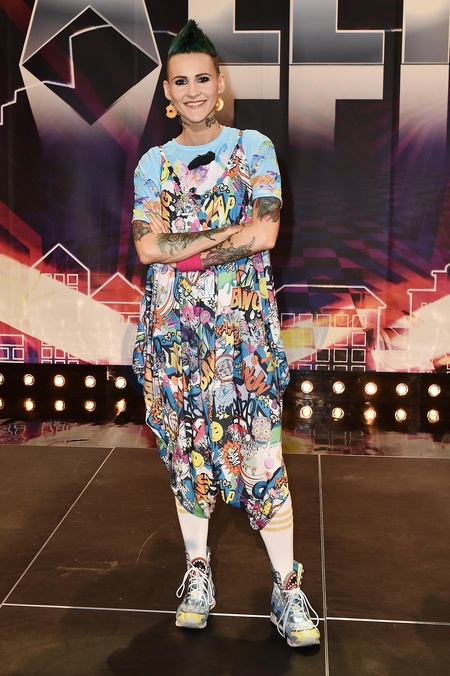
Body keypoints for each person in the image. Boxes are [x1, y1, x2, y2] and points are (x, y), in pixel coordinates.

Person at [132, 20, 320, 648]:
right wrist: (225, 237)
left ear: (220, 85)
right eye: (179, 81)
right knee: (188, 458)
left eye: (202, 79)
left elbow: (264, 233)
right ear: (167, 92)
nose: (192, 91)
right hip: (175, 340)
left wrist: (184, 250)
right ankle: (197, 574)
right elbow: (148, 247)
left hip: (242, 336)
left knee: (263, 457)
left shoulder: (254, 148)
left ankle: (287, 589)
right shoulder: (153, 164)